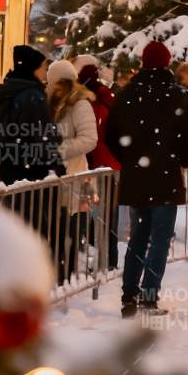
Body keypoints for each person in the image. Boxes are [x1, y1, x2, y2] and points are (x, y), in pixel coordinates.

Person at [106, 40, 188, 318]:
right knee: (160, 239)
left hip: (137, 176)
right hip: (165, 176)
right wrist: (180, 158)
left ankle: (129, 296)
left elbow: (112, 134)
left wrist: (129, 158)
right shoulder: (179, 95)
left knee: (138, 236)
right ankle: (149, 297)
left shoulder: (128, 94)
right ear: (167, 63)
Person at [0, 45, 62, 184]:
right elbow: (43, 138)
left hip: (8, 170)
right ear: (32, 69)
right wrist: (56, 164)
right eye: (42, 67)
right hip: (33, 174)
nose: (45, 72)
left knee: (11, 205)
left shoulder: (4, 92)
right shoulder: (33, 96)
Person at [48, 60, 97, 284]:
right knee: (56, 232)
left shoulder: (80, 104)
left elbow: (89, 139)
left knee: (70, 233)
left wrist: (57, 151)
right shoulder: (51, 102)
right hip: (54, 178)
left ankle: (66, 279)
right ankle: (56, 277)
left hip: (74, 176)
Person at [77, 60, 121, 270]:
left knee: (93, 214)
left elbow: (91, 137)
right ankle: (109, 259)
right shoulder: (109, 100)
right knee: (107, 215)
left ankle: (102, 260)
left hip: (96, 165)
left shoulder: (91, 105)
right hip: (111, 165)